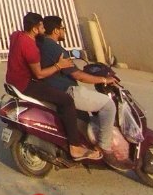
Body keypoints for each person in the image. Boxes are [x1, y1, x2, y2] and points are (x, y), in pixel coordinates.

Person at [6, 12, 101, 161]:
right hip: (25, 84)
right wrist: (59, 65)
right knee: (66, 100)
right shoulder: (30, 48)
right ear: (35, 29)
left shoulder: (17, 35)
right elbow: (39, 74)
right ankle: (75, 147)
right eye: (42, 27)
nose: (44, 29)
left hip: (12, 81)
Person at [38, 15, 118, 154]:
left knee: (87, 116)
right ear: (56, 30)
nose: (64, 31)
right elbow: (78, 76)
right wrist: (104, 80)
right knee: (108, 106)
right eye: (63, 28)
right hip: (67, 90)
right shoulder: (57, 49)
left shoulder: (42, 44)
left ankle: (86, 142)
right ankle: (104, 147)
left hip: (52, 89)